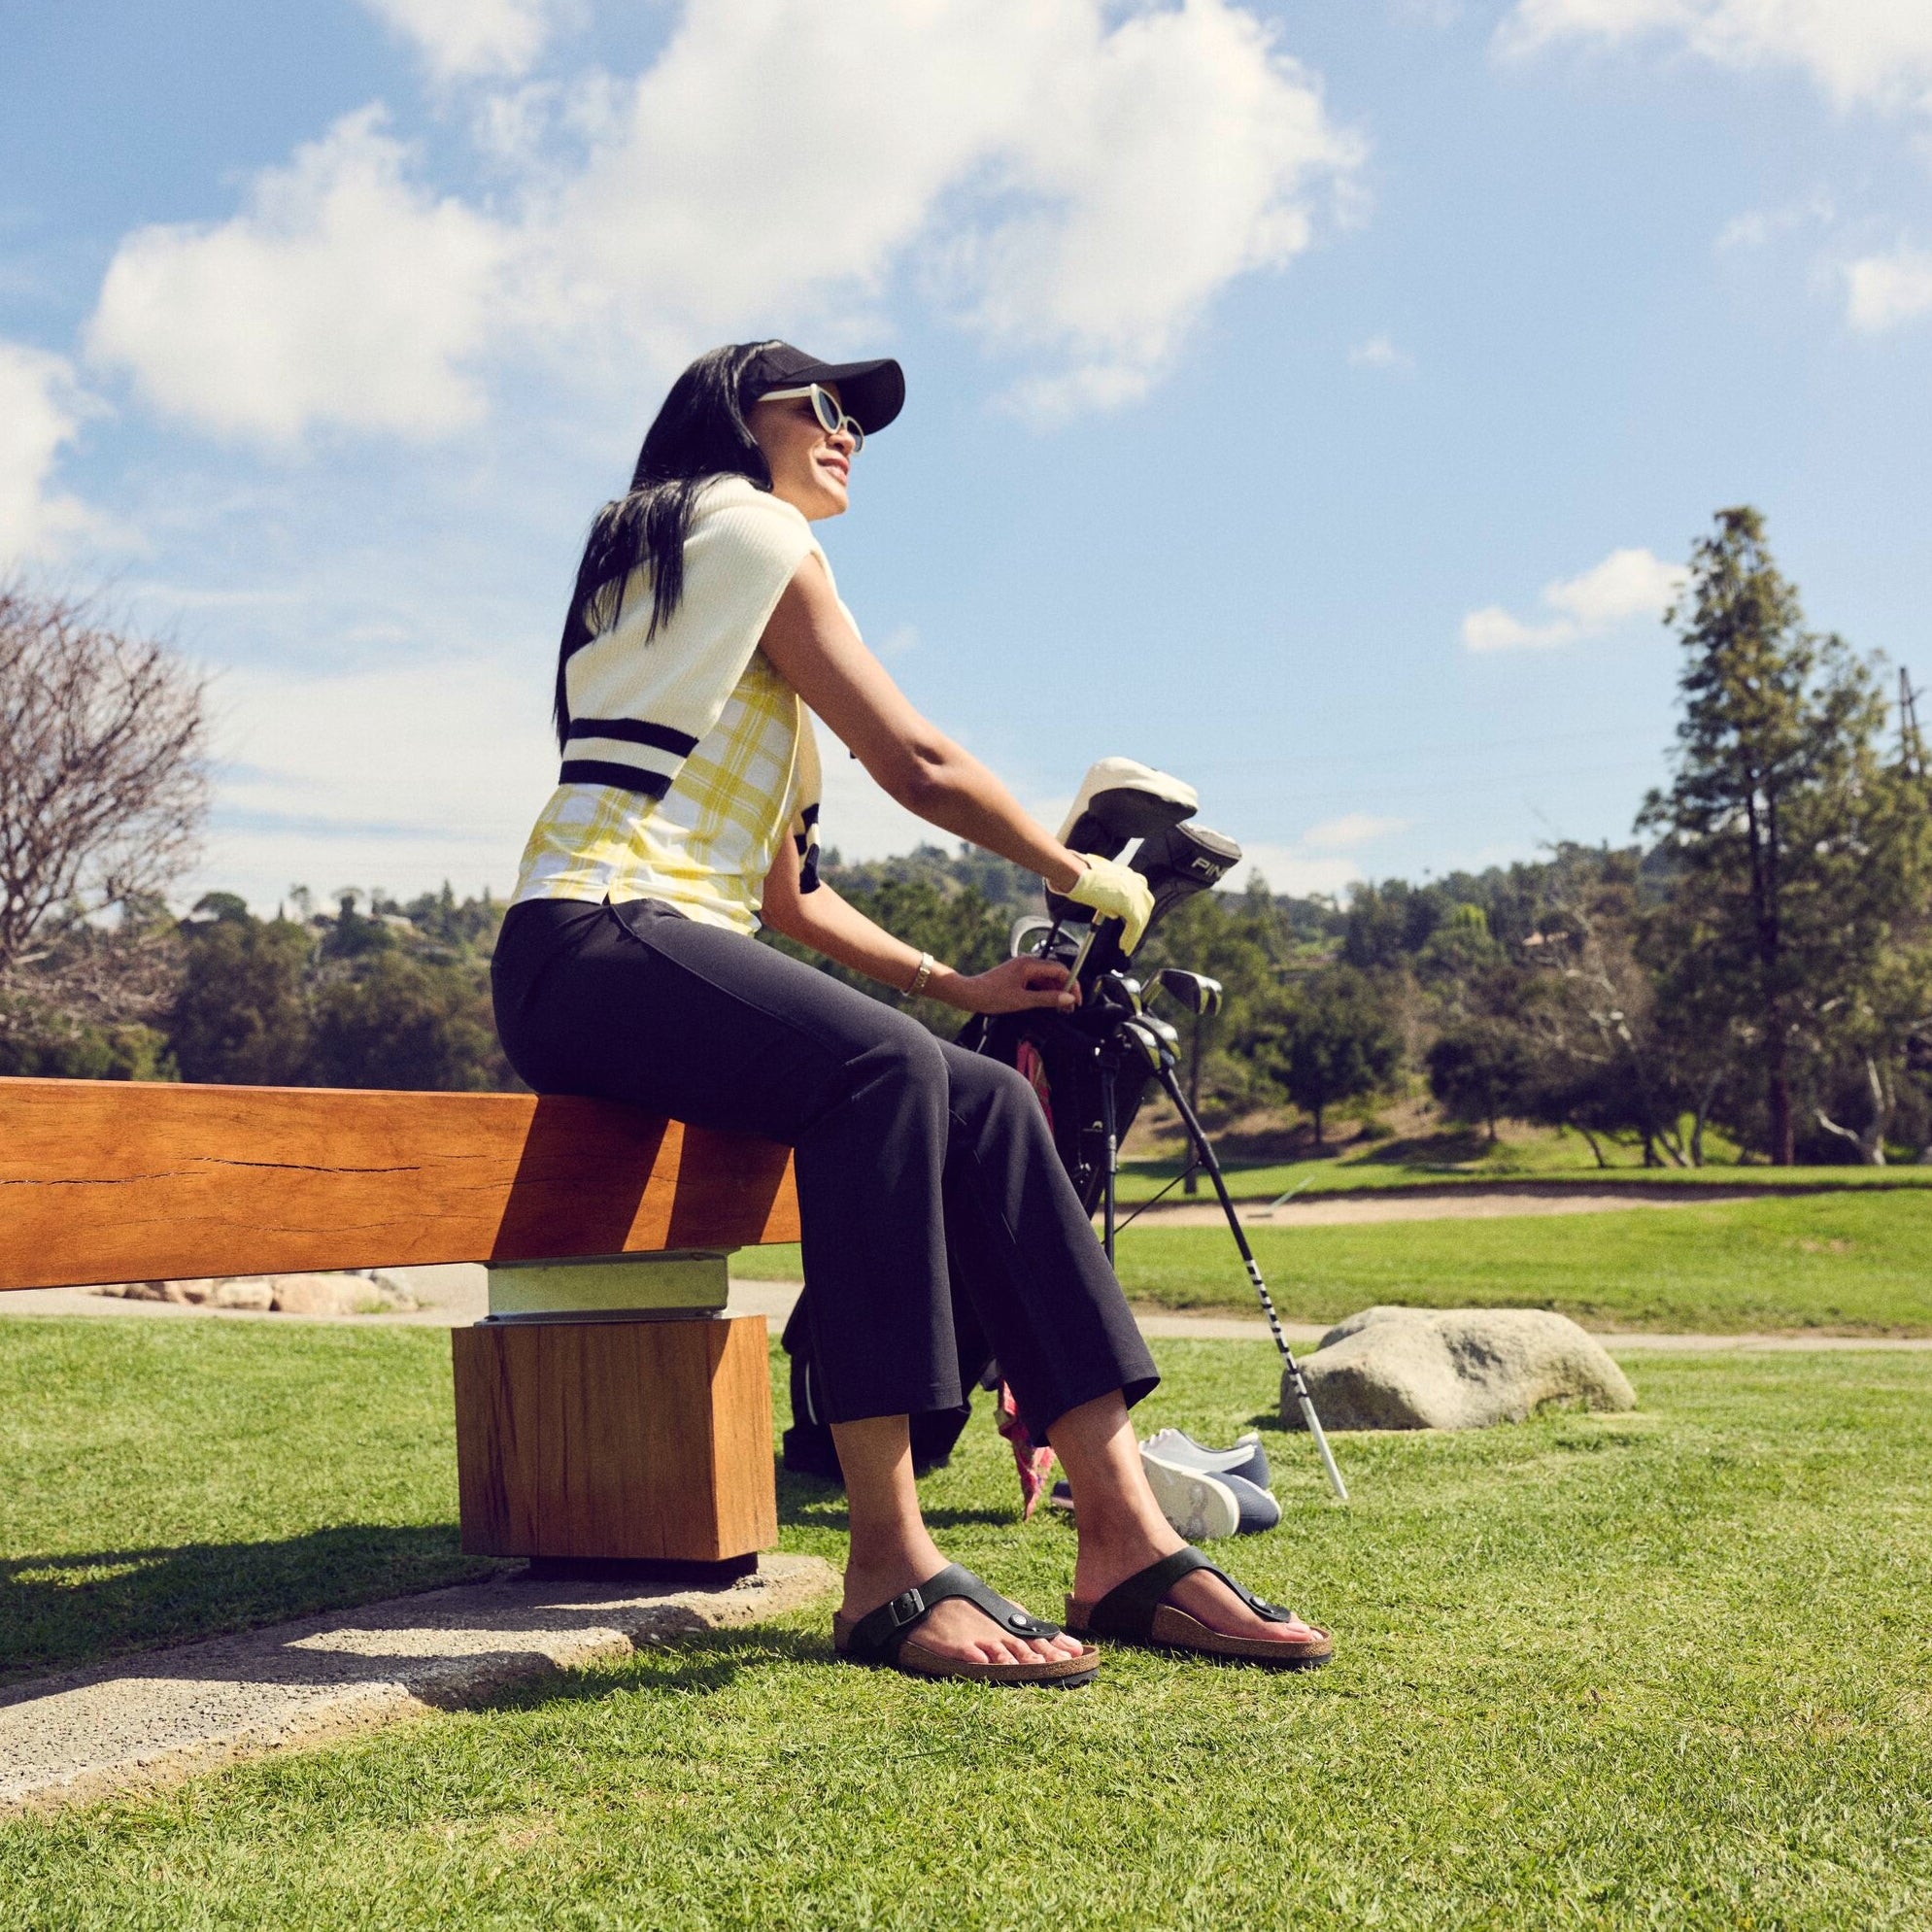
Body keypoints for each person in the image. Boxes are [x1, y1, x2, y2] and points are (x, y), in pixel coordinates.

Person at [491, 339, 1331, 1682]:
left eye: (860, 422)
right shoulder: (744, 525)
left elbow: (789, 901)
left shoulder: (716, 622)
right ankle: (886, 1562)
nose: (847, 435)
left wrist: (961, 990)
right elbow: (922, 763)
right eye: (822, 407)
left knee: (985, 1091)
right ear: (734, 419)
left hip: (655, 951)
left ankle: (1118, 1534)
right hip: (588, 939)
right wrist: (1081, 872)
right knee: (883, 1073)